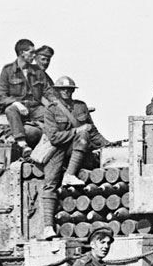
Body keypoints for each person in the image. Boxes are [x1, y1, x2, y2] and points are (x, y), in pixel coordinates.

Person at [38, 76, 109, 239]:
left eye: (69, 89)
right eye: (62, 89)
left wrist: (108, 145)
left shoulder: (80, 106)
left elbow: (92, 132)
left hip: (77, 148)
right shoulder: (52, 109)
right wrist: (76, 131)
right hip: (57, 150)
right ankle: (48, 227)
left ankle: (70, 174)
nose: (66, 92)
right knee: (50, 184)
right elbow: (54, 137)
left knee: (84, 134)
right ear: (56, 91)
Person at [0, 38, 50, 158]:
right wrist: (16, 103)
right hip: (18, 109)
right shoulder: (8, 71)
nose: (34, 55)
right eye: (31, 52)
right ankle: (22, 143)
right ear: (21, 53)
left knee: (53, 116)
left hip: (35, 108)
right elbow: (0, 97)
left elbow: (48, 92)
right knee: (10, 109)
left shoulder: (38, 72)